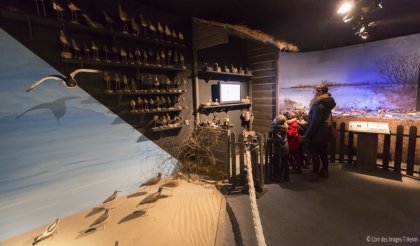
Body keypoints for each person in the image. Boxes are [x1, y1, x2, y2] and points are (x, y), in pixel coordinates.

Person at [304, 83, 336, 180]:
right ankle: (325, 171)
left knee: (314, 153)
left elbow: (315, 122)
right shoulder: (327, 102)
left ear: (320, 91)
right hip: (324, 132)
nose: (314, 92)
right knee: (323, 152)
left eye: (316, 90)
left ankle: (315, 173)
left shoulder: (318, 105)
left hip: (317, 133)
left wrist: (307, 135)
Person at [270, 114, 289, 181]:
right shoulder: (285, 126)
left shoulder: (277, 129)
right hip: (286, 147)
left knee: (277, 162)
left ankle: (278, 177)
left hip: (280, 148)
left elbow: (279, 140)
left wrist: (270, 140)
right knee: (285, 162)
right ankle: (286, 177)